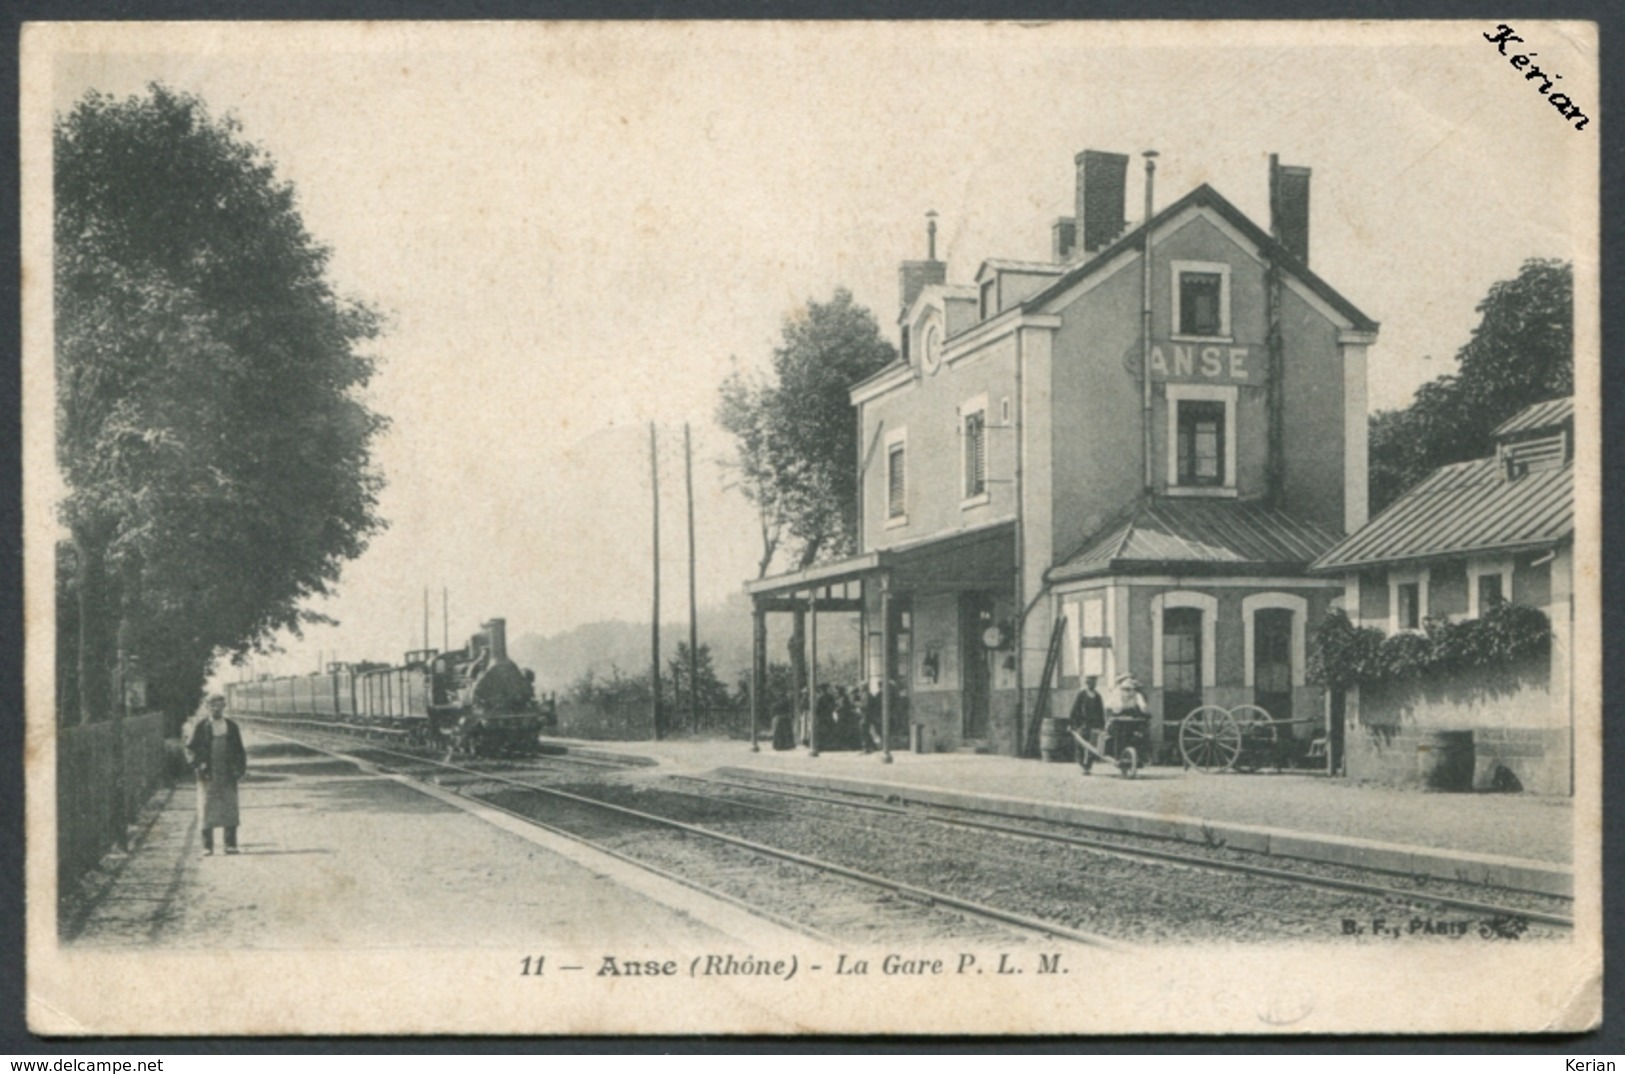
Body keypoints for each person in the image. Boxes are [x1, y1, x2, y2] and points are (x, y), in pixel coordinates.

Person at [186, 694, 248, 856]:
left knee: (230, 806)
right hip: (208, 773)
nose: (216, 710)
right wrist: (198, 765)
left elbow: (239, 750)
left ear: (224, 707)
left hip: (227, 772)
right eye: (213, 706)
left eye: (220, 706)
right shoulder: (201, 726)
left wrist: (240, 769)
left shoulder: (231, 726)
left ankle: (230, 845)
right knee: (207, 808)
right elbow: (190, 749)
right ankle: (207, 846)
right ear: (207, 708)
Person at [1067, 674, 1106, 774]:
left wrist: (1102, 725)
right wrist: (1071, 723)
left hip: (1095, 725)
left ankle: (1088, 765)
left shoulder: (1098, 696)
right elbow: (1075, 709)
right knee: (1081, 745)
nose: (1091, 684)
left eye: (1093, 682)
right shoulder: (1081, 695)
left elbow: (1101, 711)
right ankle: (1082, 765)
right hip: (1083, 724)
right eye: (1089, 682)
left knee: (1093, 747)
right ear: (1086, 683)